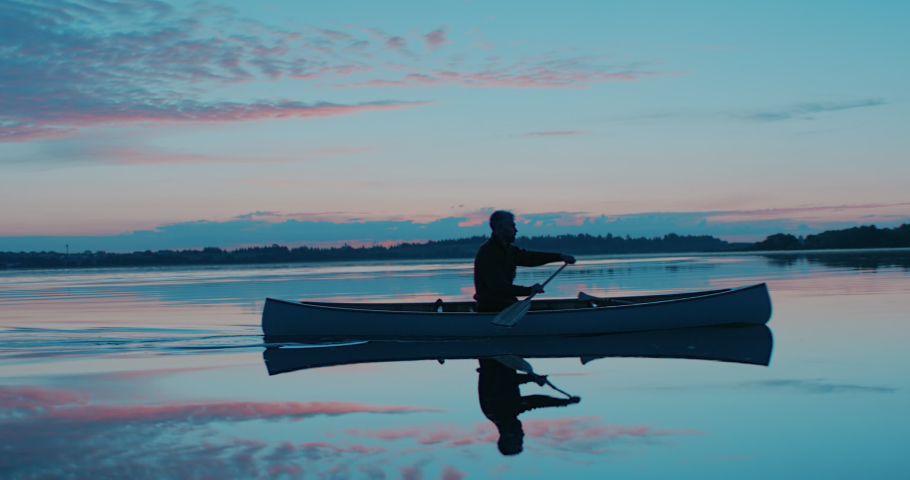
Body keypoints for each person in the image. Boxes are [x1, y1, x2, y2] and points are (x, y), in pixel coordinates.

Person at [474, 210, 576, 313]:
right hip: (492, 308)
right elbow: (498, 286)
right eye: (512, 226)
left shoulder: (509, 250)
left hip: (507, 305)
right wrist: (529, 290)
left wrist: (560, 257)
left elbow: (530, 258)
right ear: (501, 229)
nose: (516, 230)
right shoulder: (488, 253)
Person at [477, 358, 580, 456]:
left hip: (494, 359)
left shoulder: (497, 412)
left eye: (519, 439)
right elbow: (536, 402)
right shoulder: (507, 413)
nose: (522, 434)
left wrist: (532, 379)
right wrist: (565, 402)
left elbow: (503, 379)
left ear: (508, 437)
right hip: (501, 360)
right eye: (522, 438)